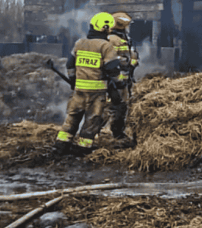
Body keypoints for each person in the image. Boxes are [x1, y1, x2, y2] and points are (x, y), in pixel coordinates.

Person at [56, 12, 123, 153]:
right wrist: (119, 84)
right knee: (92, 121)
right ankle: (82, 149)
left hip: (79, 90)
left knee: (72, 118)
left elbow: (70, 65)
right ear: (107, 28)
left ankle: (61, 145)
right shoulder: (106, 46)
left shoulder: (80, 43)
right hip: (96, 93)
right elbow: (112, 69)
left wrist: (74, 81)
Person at [106, 11, 140, 144]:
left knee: (114, 106)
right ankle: (116, 133)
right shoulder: (117, 41)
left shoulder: (113, 38)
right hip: (118, 80)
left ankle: (109, 131)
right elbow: (123, 61)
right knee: (118, 106)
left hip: (117, 79)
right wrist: (133, 62)